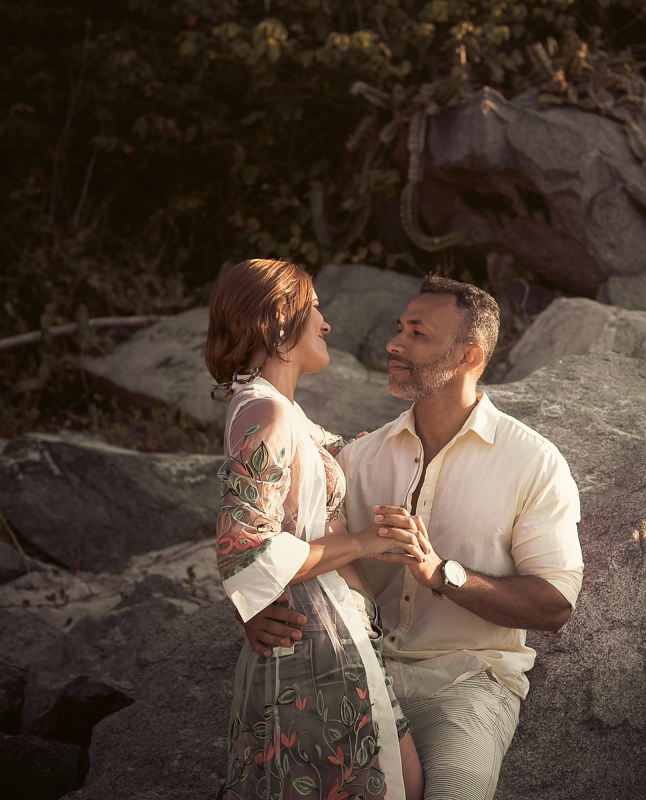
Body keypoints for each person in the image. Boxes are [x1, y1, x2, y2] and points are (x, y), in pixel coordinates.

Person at [243, 275, 584, 800]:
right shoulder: (359, 458)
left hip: (467, 684)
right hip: (356, 669)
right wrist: (257, 612)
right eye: (400, 328)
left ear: (469, 356)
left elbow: (554, 606)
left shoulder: (534, 462)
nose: (394, 343)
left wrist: (441, 573)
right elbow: (269, 534)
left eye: (417, 334)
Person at [206, 259, 427, 800]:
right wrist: (365, 542)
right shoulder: (268, 415)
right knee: (396, 787)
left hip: (327, 635)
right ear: (282, 319)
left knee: (397, 784)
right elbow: (245, 552)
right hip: (313, 644)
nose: (326, 324)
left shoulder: (282, 413)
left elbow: (354, 451)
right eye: (316, 308)